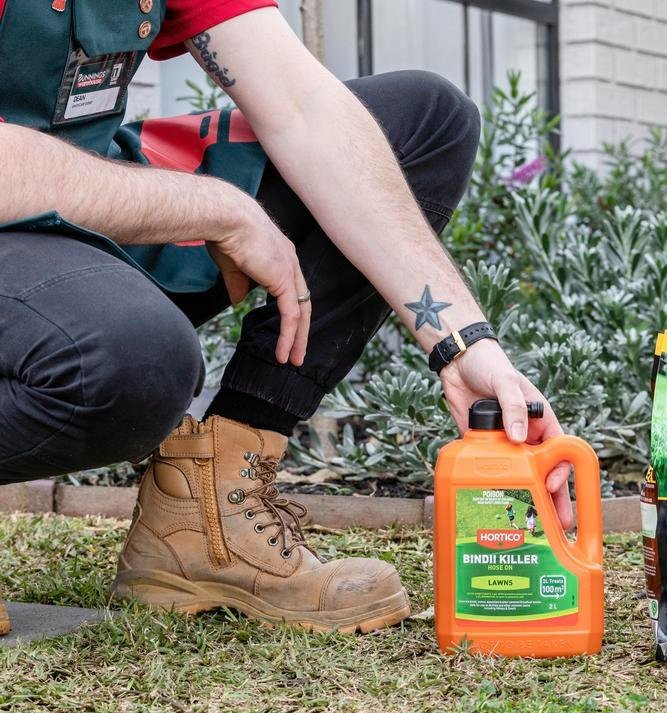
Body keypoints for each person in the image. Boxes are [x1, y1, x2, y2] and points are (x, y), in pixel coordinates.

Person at [0, 0, 572, 638]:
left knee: (420, 122)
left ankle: (202, 514)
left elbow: (302, 107)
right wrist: (218, 210)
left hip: (75, 201)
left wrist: (464, 345)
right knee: (130, 359)